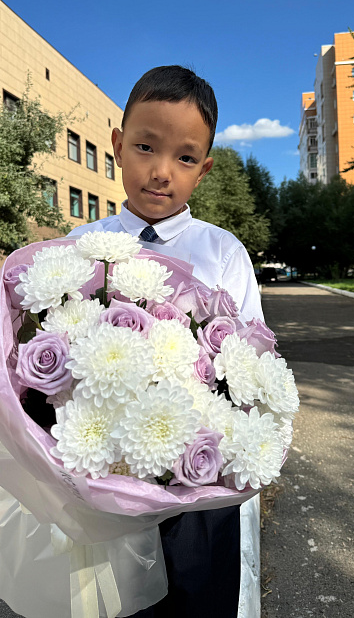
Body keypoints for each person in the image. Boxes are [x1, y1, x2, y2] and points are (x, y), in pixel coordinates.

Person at [68, 65, 264, 617]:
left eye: (183, 157)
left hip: (200, 473)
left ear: (203, 170)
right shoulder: (84, 245)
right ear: (116, 145)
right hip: (108, 473)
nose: (159, 172)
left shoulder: (221, 251)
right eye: (145, 147)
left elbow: (249, 357)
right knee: (118, 598)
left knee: (201, 593)